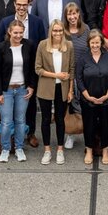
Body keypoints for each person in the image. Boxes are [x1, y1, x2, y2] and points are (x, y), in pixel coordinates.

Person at [0, 20, 37, 163]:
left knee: (20, 120)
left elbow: (33, 68)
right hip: (6, 90)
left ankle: (19, 148)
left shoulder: (29, 45)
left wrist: (31, 86)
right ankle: (5, 148)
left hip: (23, 89)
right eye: (15, 32)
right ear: (9, 32)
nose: (18, 35)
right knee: (6, 122)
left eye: (21, 32)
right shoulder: (1, 47)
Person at [35, 19, 75, 165]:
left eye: (60, 30)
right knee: (46, 119)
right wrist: (56, 75)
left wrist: (70, 90)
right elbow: (38, 69)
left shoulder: (69, 46)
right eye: (55, 30)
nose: (57, 33)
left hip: (62, 88)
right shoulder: (42, 45)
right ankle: (47, 150)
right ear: (50, 31)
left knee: (60, 119)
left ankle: (59, 150)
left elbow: (72, 69)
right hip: (45, 87)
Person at [76, 29, 108, 167]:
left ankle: (105, 150)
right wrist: (87, 96)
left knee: (106, 125)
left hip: (106, 99)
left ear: (101, 43)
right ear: (89, 43)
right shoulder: (83, 58)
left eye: (97, 43)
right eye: (92, 43)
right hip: (88, 100)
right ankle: (89, 150)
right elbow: (79, 78)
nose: (95, 45)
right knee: (89, 125)